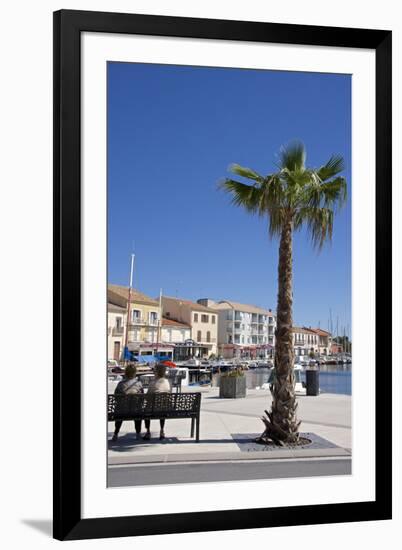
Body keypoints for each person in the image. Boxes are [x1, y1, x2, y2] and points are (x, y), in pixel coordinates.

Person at [112, 363, 143, 442]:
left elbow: (116, 397)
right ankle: (138, 434)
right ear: (135, 372)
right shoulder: (139, 384)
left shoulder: (120, 384)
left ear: (126, 372)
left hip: (122, 411)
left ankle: (116, 433)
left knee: (120, 409)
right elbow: (142, 398)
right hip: (135, 411)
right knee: (138, 410)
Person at [142, 363, 171, 440]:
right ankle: (162, 430)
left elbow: (147, 397)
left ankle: (148, 432)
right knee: (162, 408)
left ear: (156, 372)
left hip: (152, 409)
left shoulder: (153, 383)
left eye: (154, 371)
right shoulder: (167, 382)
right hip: (164, 409)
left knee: (146, 412)